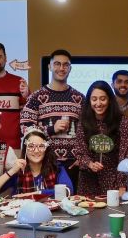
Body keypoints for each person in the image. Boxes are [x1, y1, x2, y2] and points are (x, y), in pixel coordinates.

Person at [20, 49, 84, 188]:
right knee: (46, 202)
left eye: (65, 65)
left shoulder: (79, 98)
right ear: (49, 67)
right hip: (44, 162)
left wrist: (82, 157)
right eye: (57, 64)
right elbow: (25, 128)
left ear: (70, 68)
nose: (61, 68)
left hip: (73, 163)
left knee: (72, 203)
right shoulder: (36, 97)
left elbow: (88, 130)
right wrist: (51, 129)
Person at [73, 81, 128, 197]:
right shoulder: (83, 121)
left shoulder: (122, 122)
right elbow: (80, 150)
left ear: (110, 100)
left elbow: (124, 155)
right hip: (88, 180)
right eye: (94, 99)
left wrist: (121, 184)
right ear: (89, 101)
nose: (98, 103)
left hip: (113, 179)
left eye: (102, 99)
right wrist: (89, 163)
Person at [0, 128, 73, 197]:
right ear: (25, 149)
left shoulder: (57, 168)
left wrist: (34, 194)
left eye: (41, 146)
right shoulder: (18, 171)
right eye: (31, 146)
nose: (36, 150)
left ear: (46, 149)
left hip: (53, 215)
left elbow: (68, 190)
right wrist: (12, 171)